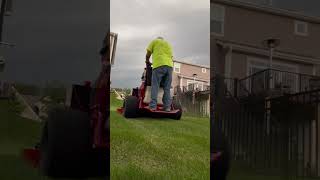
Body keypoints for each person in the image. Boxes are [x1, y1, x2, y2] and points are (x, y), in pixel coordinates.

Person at [145, 37, 173, 111]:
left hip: (159, 65)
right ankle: (167, 107)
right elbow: (171, 57)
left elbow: (148, 53)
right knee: (167, 88)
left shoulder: (154, 41)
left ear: (158, 39)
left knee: (155, 86)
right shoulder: (168, 44)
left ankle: (153, 106)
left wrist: (147, 61)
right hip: (170, 67)